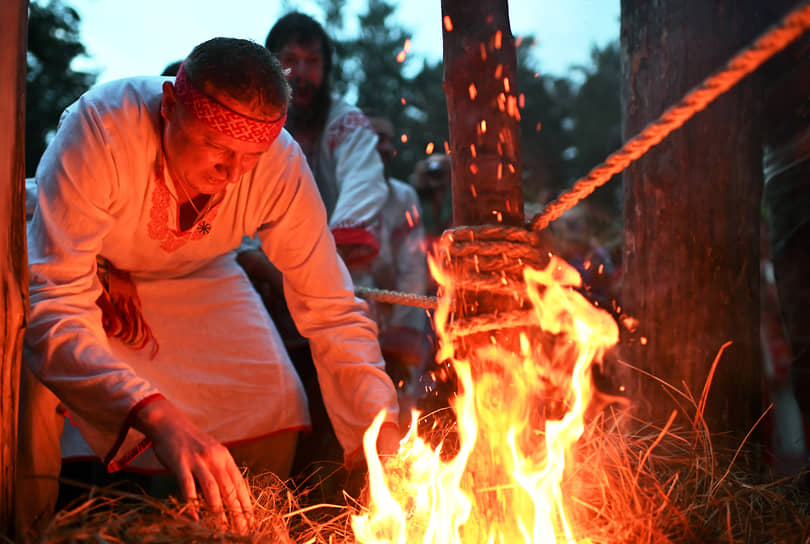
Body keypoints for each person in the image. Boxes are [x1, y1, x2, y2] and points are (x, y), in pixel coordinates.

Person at [18, 37, 400, 537]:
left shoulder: (279, 164)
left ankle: (243, 527)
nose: (232, 172)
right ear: (171, 106)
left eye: (250, 155)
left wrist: (383, 440)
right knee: (32, 390)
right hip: (90, 272)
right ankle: (31, 525)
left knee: (273, 392)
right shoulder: (102, 127)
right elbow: (55, 301)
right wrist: (157, 415)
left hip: (199, 273)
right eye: (217, 146)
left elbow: (331, 308)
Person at [366, 115, 430, 395]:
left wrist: (395, 330)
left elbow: (413, 269)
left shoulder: (404, 197)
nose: (383, 146)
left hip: (398, 331)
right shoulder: (331, 191)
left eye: (388, 139)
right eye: (375, 137)